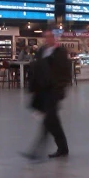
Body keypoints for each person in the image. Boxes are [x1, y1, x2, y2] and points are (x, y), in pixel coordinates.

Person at [22, 28, 71, 160]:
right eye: (46, 36)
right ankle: (63, 148)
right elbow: (36, 68)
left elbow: (65, 72)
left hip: (53, 92)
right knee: (53, 121)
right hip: (42, 91)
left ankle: (36, 151)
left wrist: (60, 88)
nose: (47, 39)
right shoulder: (41, 51)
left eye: (50, 36)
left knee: (48, 120)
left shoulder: (60, 52)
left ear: (55, 38)